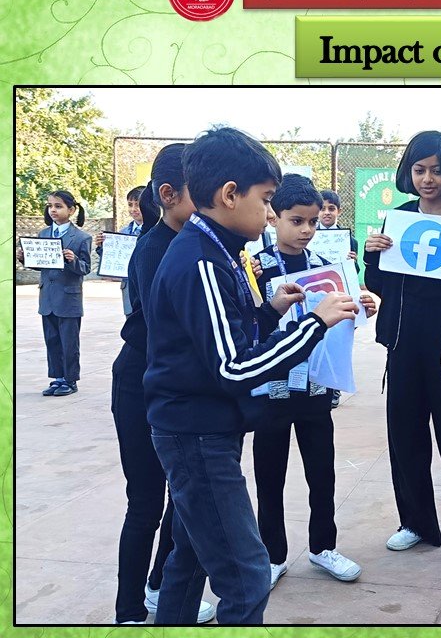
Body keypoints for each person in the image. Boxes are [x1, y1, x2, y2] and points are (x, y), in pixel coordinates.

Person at [143, 127, 360, 625]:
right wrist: (313, 323)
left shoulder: (217, 250)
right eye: (265, 200)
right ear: (229, 195)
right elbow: (234, 367)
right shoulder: (202, 260)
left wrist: (269, 311)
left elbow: (225, 339)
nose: (268, 213)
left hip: (199, 428)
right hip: (196, 434)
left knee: (191, 558)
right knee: (247, 575)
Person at [109, 145, 215, 625]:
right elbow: (170, 331)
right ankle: (129, 608)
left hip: (172, 386)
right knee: (147, 500)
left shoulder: (196, 242)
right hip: (141, 385)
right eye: (201, 192)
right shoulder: (156, 249)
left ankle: (158, 585)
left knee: (182, 496)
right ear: (168, 195)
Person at [252, 174, 374, 590]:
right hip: (272, 388)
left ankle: (323, 547)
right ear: (274, 218)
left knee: (322, 473)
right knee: (269, 476)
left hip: (317, 386)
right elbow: (248, 322)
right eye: (296, 220)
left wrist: (362, 307)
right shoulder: (255, 267)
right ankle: (272, 555)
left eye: (312, 222)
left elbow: (343, 317)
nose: (306, 230)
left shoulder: (327, 267)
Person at [363, 130, 441, 551]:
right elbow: (379, 284)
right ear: (409, 173)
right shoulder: (399, 218)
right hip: (404, 343)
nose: (428, 179)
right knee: (406, 435)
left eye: (437, 170)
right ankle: (417, 523)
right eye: (420, 169)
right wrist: (373, 253)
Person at [17, 190, 92, 396]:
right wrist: (25, 258)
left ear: (71, 210)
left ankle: (71, 380)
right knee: (52, 340)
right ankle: (57, 378)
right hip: (47, 297)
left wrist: (73, 260)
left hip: (69, 298)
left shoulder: (82, 237)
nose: (53, 210)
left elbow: (85, 268)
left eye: (58, 206)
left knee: (69, 342)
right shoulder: (43, 234)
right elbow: (42, 264)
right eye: (50, 206)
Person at [318, 188, 360, 407]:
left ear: (339, 211)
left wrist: (352, 262)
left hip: (340, 293)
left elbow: (355, 272)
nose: (326, 212)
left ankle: (333, 388)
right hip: (318, 295)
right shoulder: (310, 236)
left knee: (338, 343)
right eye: (323, 208)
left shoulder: (350, 240)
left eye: (331, 208)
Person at [95, 186, 146, 315]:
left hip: (147, 289)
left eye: (137, 205)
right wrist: (102, 247)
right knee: (131, 323)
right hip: (128, 290)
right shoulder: (123, 233)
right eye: (130, 205)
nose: (133, 209)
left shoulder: (156, 231)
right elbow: (114, 257)